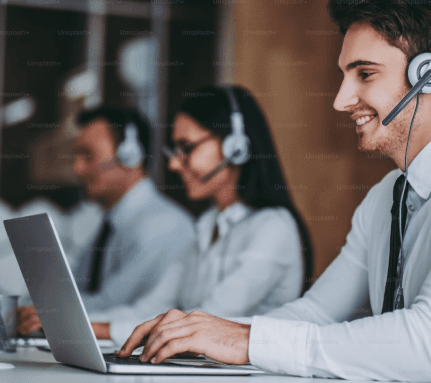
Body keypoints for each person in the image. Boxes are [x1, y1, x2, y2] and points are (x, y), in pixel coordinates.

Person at [115, 0, 431, 382]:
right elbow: (317, 314)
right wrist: (196, 331)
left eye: (364, 74)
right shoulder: (389, 196)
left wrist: (245, 340)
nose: (342, 100)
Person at [88, 85, 313, 345]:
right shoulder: (206, 227)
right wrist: (81, 324)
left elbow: (208, 318)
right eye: (174, 150)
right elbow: (149, 308)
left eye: (187, 147)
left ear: (235, 146)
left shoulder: (273, 227)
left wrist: (98, 330)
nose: (174, 163)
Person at [17, 106, 196, 338]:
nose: (77, 168)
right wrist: (32, 308)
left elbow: (110, 304)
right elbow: (75, 292)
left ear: (130, 154)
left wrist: (50, 314)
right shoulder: (108, 225)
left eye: (88, 155)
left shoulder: (163, 225)